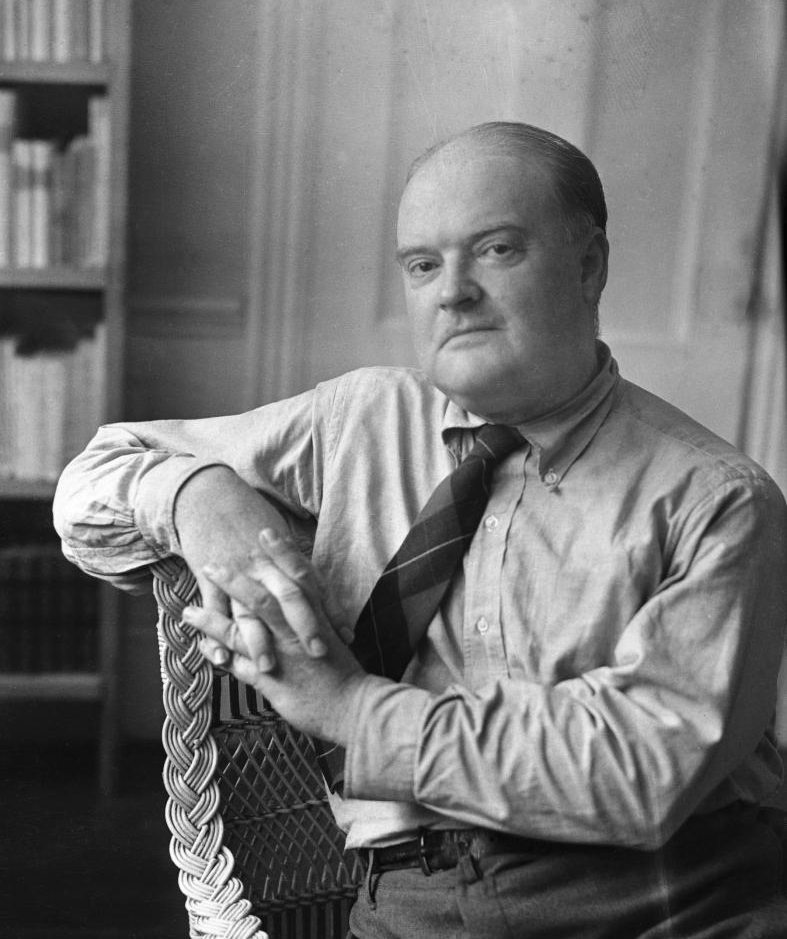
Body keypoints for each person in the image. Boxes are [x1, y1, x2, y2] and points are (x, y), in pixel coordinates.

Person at [54, 121, 787, 938]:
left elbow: (644, 772)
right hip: (413, 896)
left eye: (497, 250)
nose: (453, 291)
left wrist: (353, 712)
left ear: (589, 266)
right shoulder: (359, 420)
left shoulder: (716, 498)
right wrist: (197, 496)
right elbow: (93, 480)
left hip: (673, 894)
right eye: (423, 264)